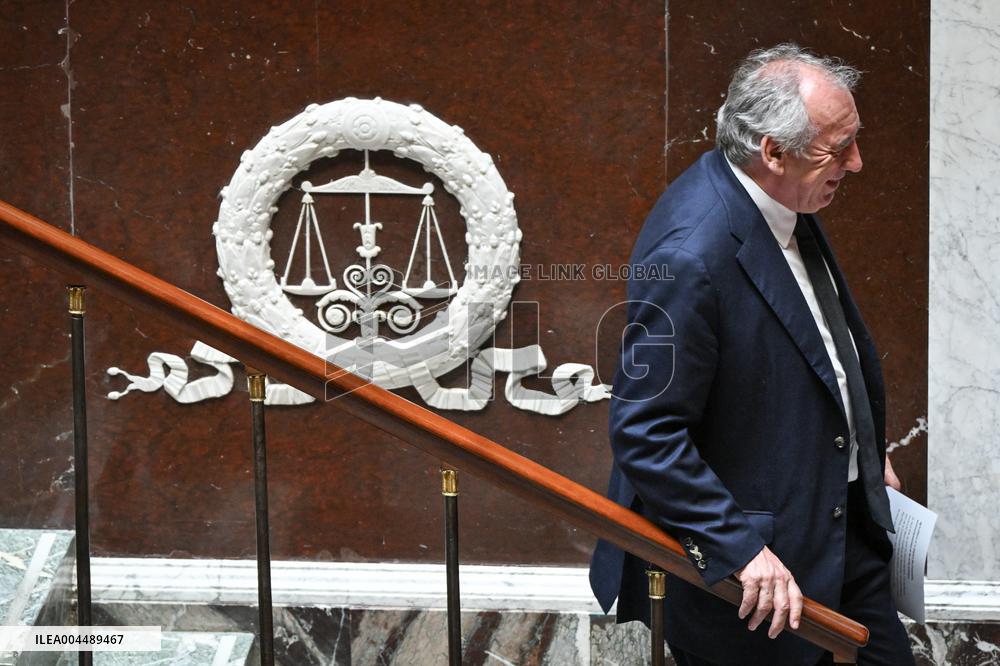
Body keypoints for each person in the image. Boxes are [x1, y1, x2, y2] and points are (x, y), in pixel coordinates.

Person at [589, 44, 915, 665]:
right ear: (772, 151)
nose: (857, 162)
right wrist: (739, 550)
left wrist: (864, 447)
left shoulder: (785, 196)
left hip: (840, 532)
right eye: (838, 147)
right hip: (760, 579)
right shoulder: (691, 253)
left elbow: (812, 346)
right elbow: (646, 431)